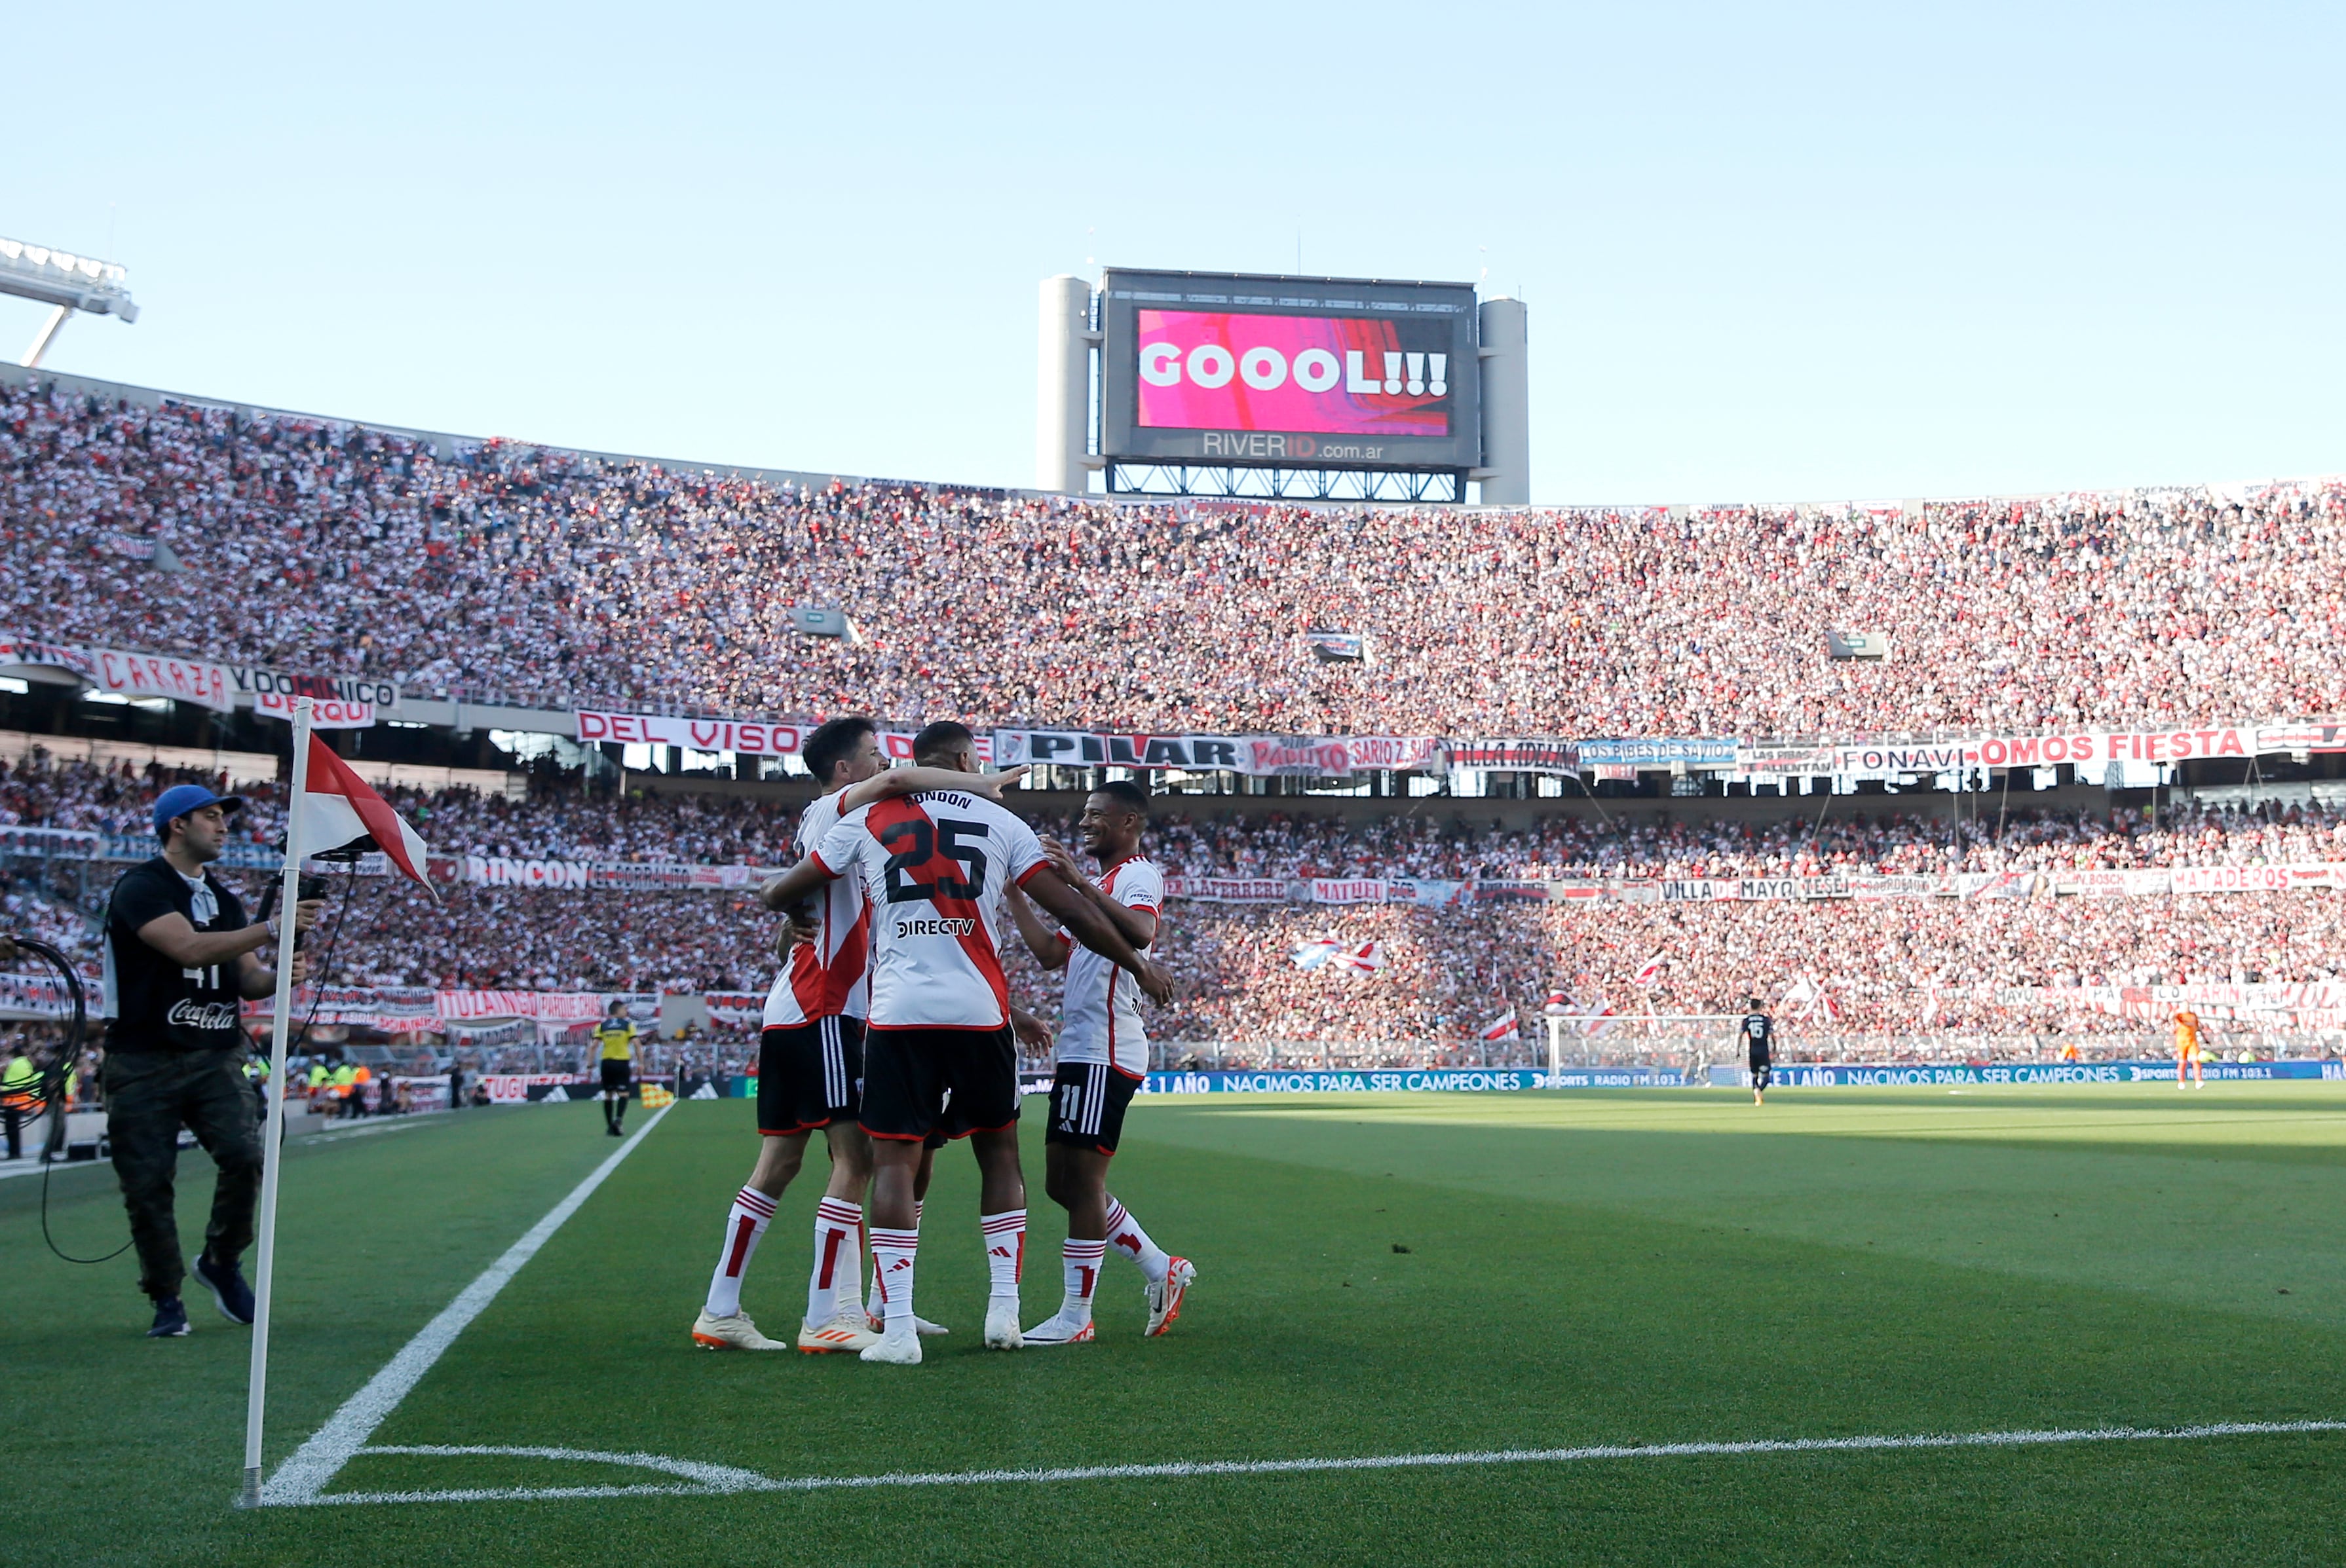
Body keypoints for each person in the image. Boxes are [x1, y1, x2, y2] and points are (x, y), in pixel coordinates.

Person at [759, 721, 1174, 1366]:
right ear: (960, 759)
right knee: (999, 1156)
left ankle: (894, 1329)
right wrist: (1138, 963)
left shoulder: (867, 817)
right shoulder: (1000, 823)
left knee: (894, 1164)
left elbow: (781, 888)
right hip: (980, 1015)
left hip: (898, 1015)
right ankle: (1003, 1312)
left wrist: (790, 911)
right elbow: (1070, 915)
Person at [691, 716, 1011, 1354]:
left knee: (781, 1163)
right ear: (844, 771)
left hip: (796, 1006)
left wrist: (789, 919)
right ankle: (824, 1315)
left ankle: (723, 1309)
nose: (884, 762)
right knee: (857, 1159)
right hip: (828, 1008)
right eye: (872, 754)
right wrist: (981, 782)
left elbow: (796, 906)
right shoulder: (837, 812)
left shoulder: (843, 831)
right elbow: (895, 780)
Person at [101, 783, 317, 1338]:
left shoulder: (223, 900)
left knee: (247, 1153)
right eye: (212, 817)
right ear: (178, 825)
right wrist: (275, 926)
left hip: (215, 1054)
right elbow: (189, 949)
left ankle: (221, 1261)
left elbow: (247, 981)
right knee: (148, 1184)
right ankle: (165, 1295)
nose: (224, 827)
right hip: (143, 1057)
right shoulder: (142, 887)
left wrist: (282, 974)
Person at [1002, 781, 1194, 1344]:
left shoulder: (1137, 874)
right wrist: (1017, 891)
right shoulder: (1102, 884)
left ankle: (1075, 1316)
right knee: (1063, 1183)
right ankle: (1162, 1268)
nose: (1083, 823)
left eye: (1095, 815)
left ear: (1128, 821)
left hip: (1106, 1047)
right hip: (1081, 1047)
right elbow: (1049, 955)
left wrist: (1077, 882)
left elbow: (1140, 932)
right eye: (1082, 815)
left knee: (1083, 1182)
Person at [592, 1002, 639, 1135]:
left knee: (608, 1094)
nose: (626, 1011)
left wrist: (589, 1065)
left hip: (606, 1062)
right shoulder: (627, 1026)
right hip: (622, 1062)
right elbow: (637, 1044)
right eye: (624, 1009)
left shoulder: (602, 1026)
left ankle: (609, 1126)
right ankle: (618, 1120)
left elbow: (594, 1046)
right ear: (617, 1011)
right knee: (624, 1094)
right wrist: (641, 1062)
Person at [2, 1039, 36, 1161]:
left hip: (12, 1100)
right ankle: (16, 1152)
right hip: (22, 1100)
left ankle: (14, 1153)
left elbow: (9, 1083)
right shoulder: (27, 1063)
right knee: (14, 1129)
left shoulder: (14, 1063)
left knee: (11, 1129)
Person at [1740, 996, 1773, 1106]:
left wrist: (1737, 1049)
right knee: (1766, 1076)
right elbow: (1772, 1036)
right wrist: (1775, 1047)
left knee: (1755, 1075)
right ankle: (1759, 1091)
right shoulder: (1766, 1020)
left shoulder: (1746, 1020)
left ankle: (1756, 1093)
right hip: (1763, 1050)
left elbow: (1740, 1035)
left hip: (1752, 1051)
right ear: (1760, 1007)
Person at [2173, 1008, 2205, 1089]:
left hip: (2192, 1041)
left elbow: (2197, 1026)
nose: (2186, 1007)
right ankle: (2181, 1082)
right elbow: (2172, 1017)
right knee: (2182, 1062)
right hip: (2182, 1042)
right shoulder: (2179, 1015)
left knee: (2195, 1060)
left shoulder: (2193, 1015)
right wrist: (2175, 1012)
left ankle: (2198, 1081)